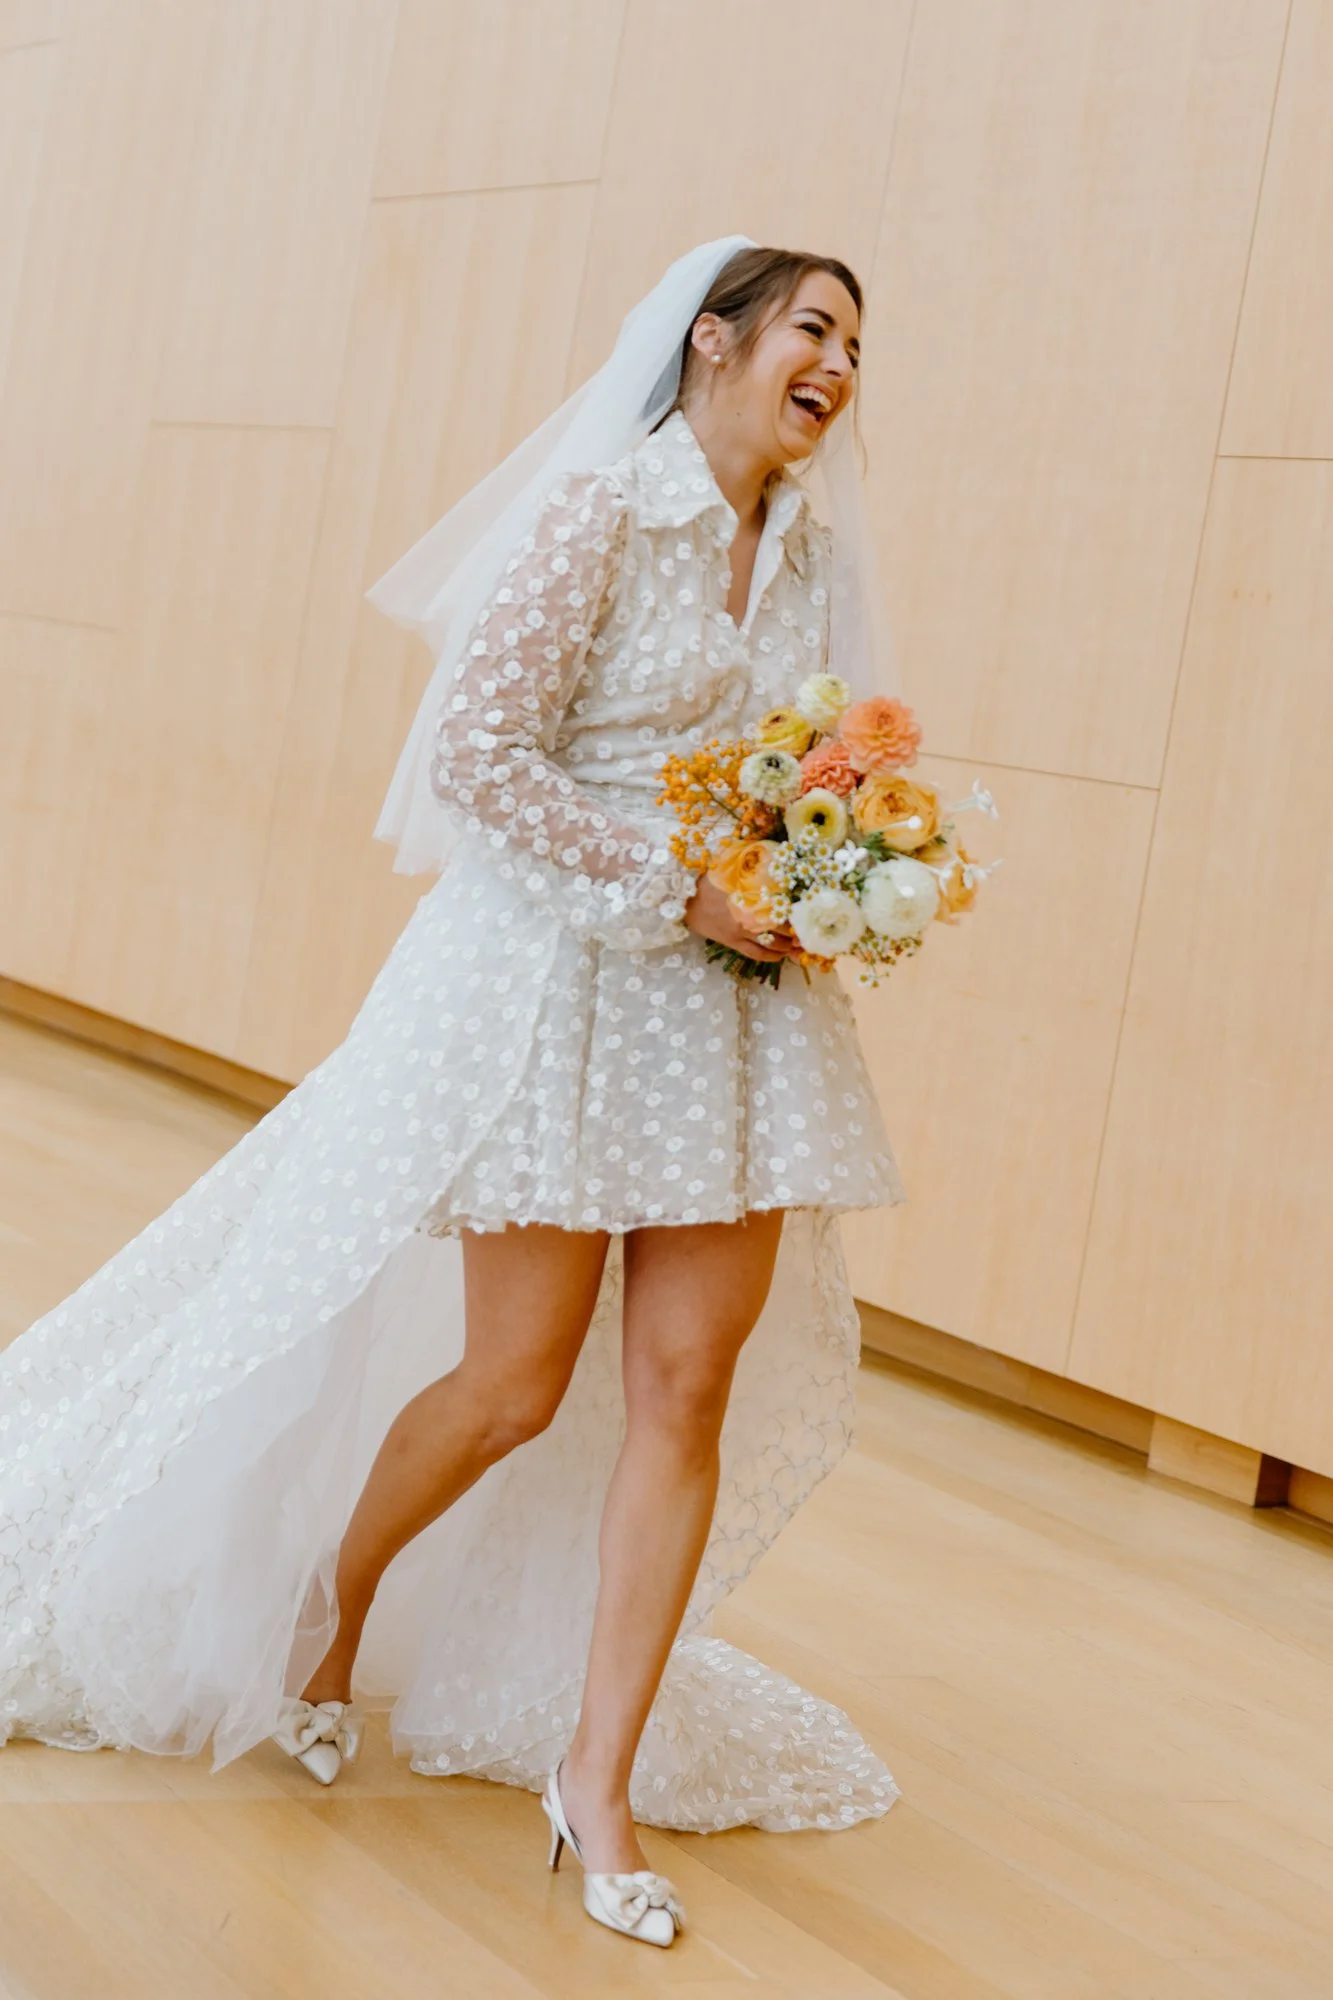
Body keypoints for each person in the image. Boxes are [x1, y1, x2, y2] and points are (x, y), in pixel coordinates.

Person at [0, 239, 905, 1952]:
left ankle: (598, 1777)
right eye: (814, 329)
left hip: (734, 1018)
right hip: (558, 995)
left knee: (686, 1388)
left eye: (857, 346)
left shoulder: (811, 557)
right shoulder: (595, 519)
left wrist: (832, 864)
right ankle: (335, 1610)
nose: (839, 368)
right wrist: (673, 883)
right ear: (714, 340)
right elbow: (478, 759)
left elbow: (818, 750)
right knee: (507, 1384)